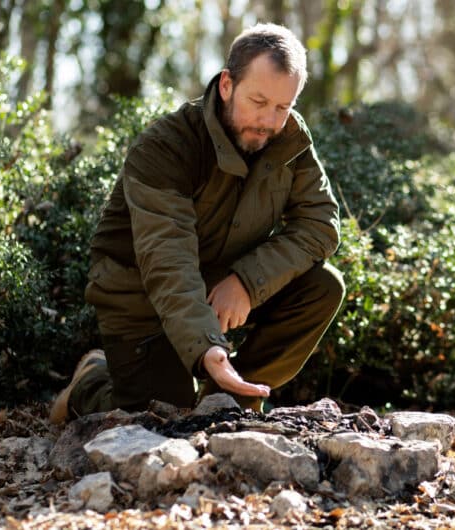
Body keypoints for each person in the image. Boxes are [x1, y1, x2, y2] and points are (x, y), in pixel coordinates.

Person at [49, 23, 344, 423]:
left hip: (219, 281)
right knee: (163, 417)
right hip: (142, 296)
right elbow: (167, 262)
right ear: (226, 85)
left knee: (323, 286)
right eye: (258, 101)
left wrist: (245, 281)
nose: (269, 121)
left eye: (282, 106)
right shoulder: (166, 146)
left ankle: (231, 400)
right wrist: (207, 346)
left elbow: (320, 224)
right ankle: (90, 383)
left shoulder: (289, 139)